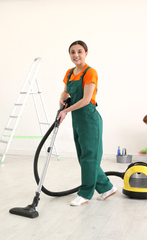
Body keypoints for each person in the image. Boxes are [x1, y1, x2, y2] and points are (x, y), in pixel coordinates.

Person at [57, 40, 117, 206]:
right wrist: (62, 97)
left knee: (90, 158)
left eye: (79, 51)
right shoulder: (69, 73)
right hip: (77, 119)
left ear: (86, 53)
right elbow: (65, 91)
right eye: (72, 52)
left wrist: (65, 111)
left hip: (90, 119)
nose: (76, 55)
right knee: (84, 158)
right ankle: (107, 188)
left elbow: (85, 100)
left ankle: (85, 194)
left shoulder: (90, 72)